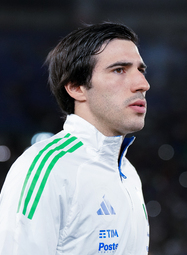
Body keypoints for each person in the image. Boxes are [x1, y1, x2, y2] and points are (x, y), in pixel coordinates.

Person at [0, 22, 150, 254]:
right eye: (119, 69)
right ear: (76, 87)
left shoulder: (128, 174)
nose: (143, 84)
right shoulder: (46, 169)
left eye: (141, 70)